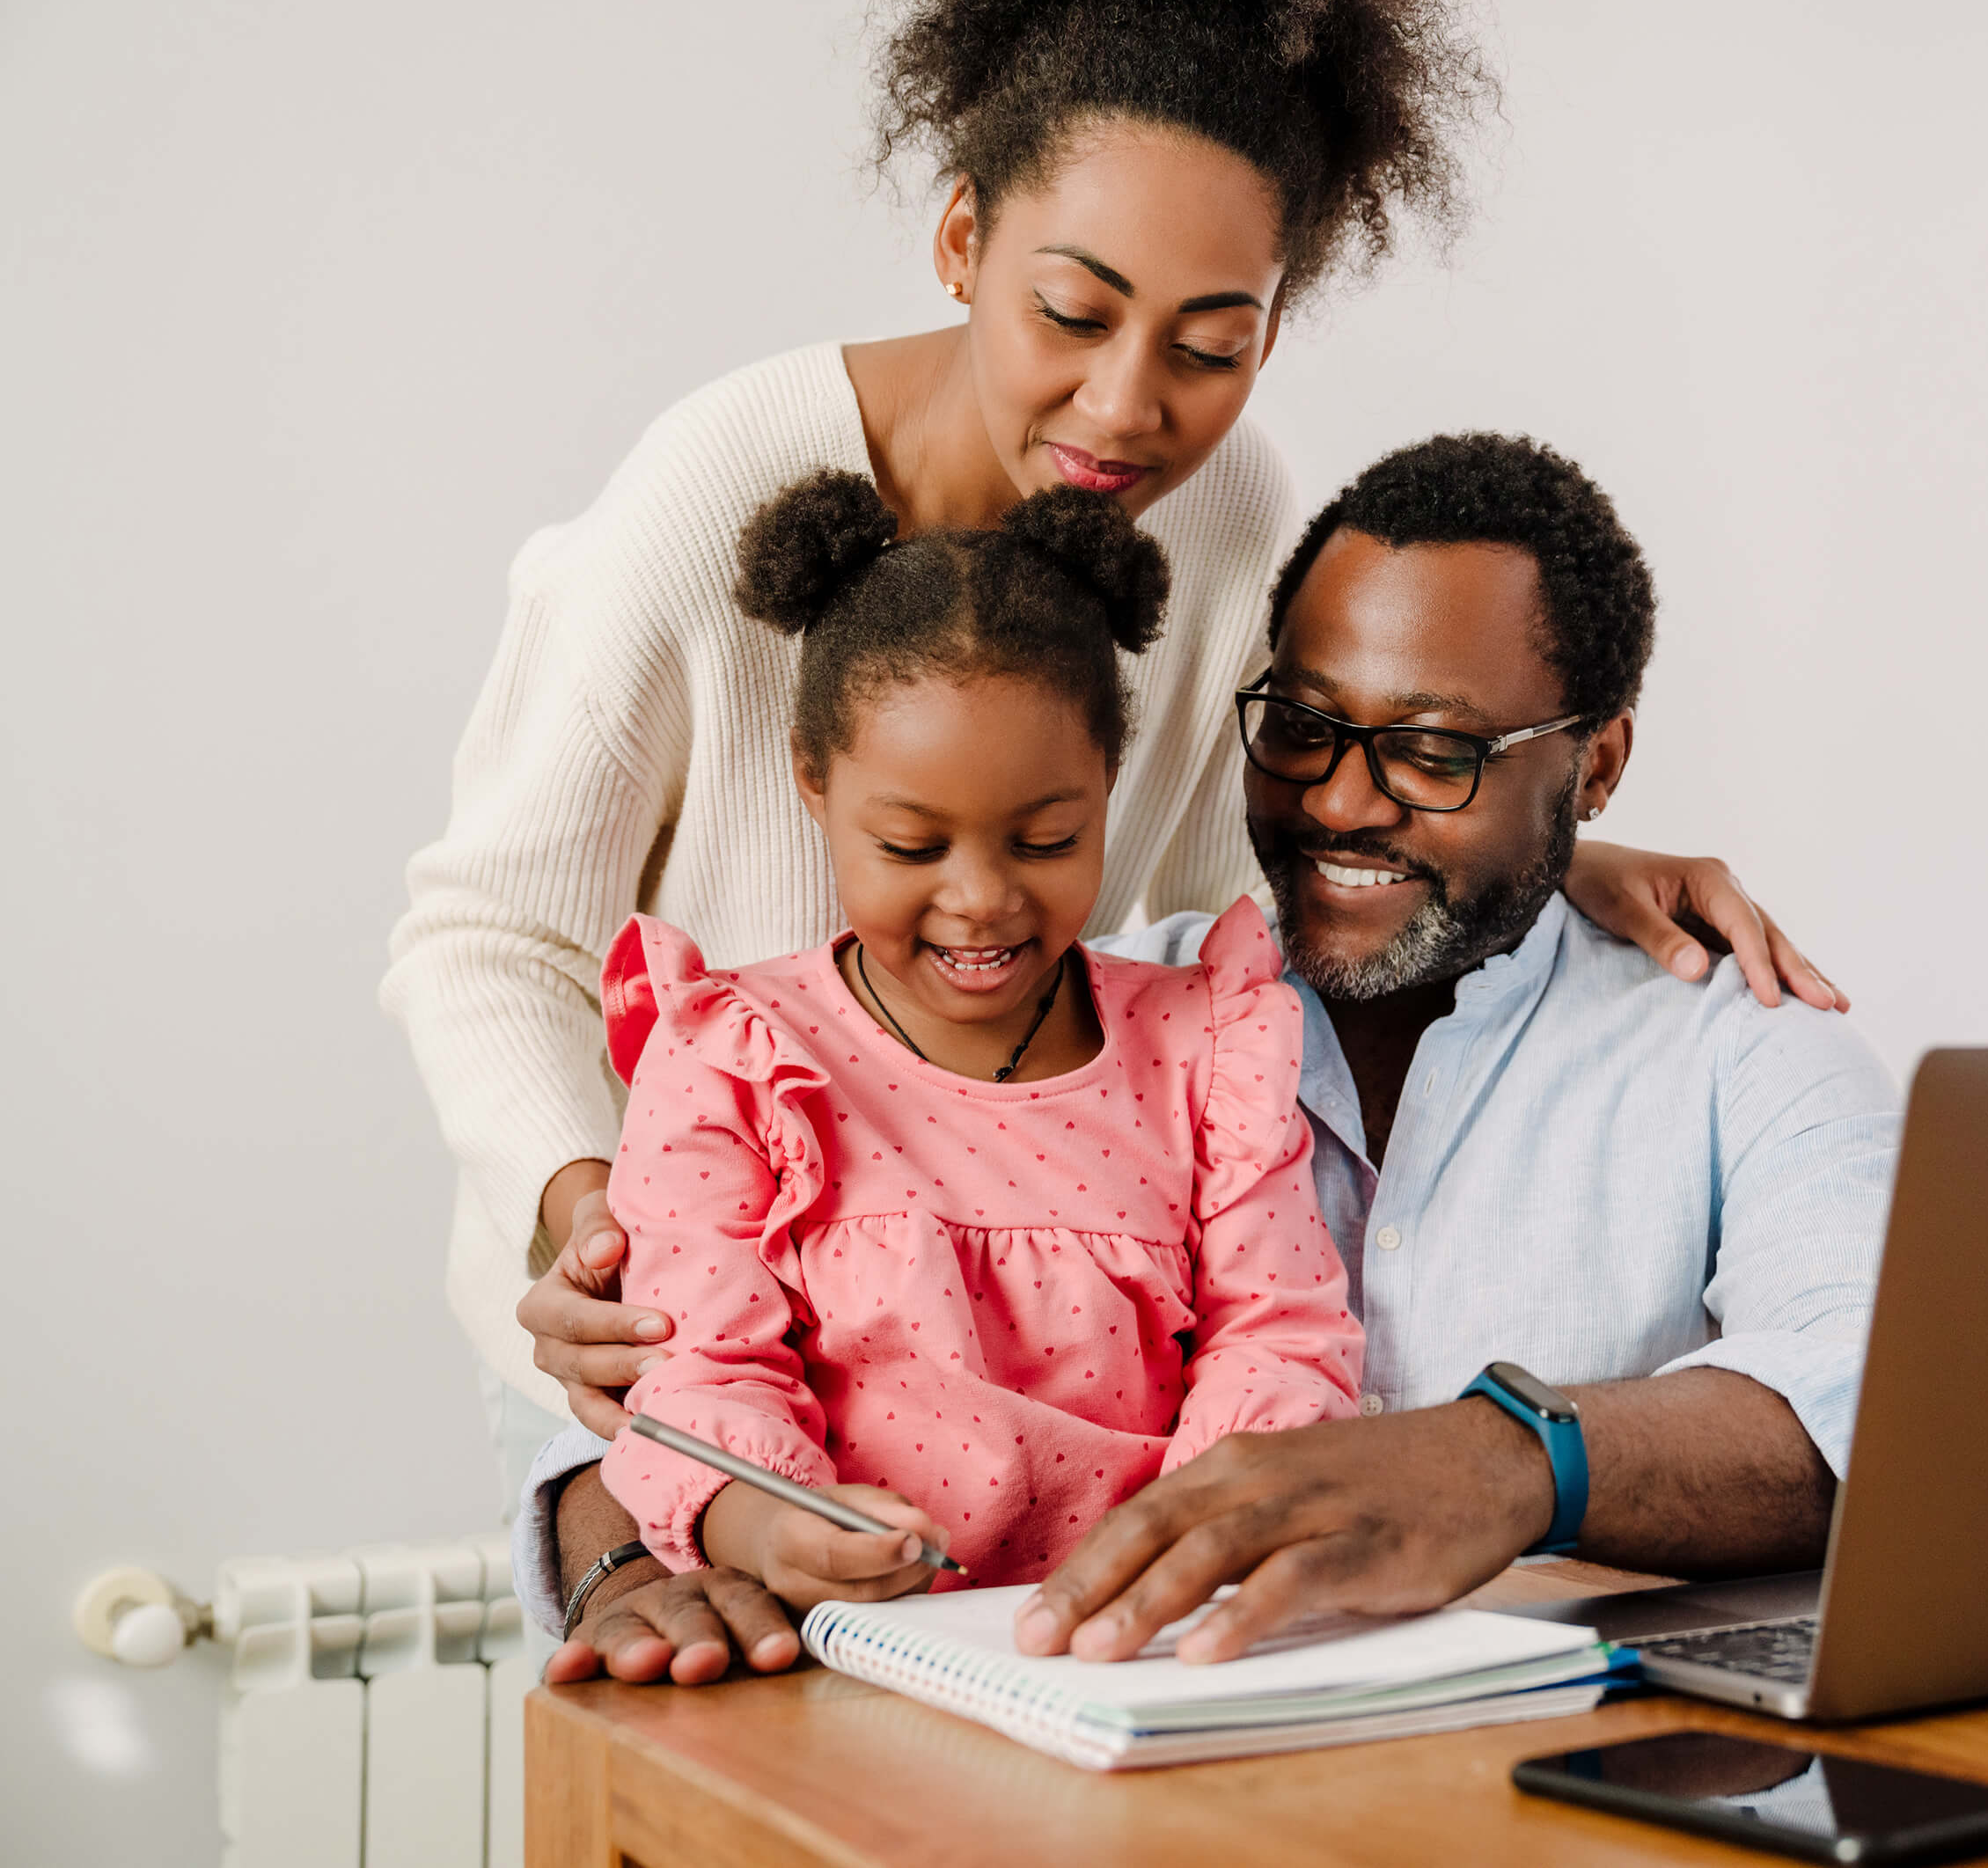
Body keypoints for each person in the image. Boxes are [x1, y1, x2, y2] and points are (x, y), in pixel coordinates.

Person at [384, 0, 1844, 1522]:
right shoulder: (710, 495)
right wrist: (604, 1220)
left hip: (998, 1336)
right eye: (1072, 312)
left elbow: (1242, 896)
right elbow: (485, 937)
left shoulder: (1225, 518)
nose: (1126, 407)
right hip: (685, 1311)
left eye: (1209, 345)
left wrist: (1551, 850)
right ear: (962, 242)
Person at [530, 434, 1897, 1682]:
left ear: (1596, 766)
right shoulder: (1111, 999)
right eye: (1303, 726)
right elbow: (664, 1385)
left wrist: (1506, 1459)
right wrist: (647, 1540)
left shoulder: (1739, 1045)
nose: (1345, 801)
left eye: (1432, 752)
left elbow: (1878, 1406)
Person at [600, 472, 1361, 1611]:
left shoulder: (1208, 1050)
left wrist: (1184, 1538)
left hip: (1144, 1634)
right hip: (848, 1639)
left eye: (1046, 838)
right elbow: (706, 1365)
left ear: (1107, 784)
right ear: (815, 783)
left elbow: (1279, 1333)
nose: (980, 899)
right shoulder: (735, 1058)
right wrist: (771, 1523)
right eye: (912, 847)